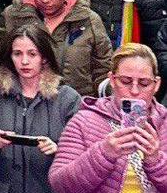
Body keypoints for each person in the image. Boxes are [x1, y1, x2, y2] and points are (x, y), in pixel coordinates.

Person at [0, 24, 82, 193]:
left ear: (45, 57)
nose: (24, 61)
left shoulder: (68, 98)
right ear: (10, 56)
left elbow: (83, 150)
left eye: (32, 54)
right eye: (17, 54)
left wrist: (59, 149)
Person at [49, 43, 167, 193]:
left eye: (144, 83)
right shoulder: (84, 120)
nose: (134, 90)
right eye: (125, 81)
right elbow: (60, 185)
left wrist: (156, 161)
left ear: (157, 85)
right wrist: (104, 153)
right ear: (112, 80)